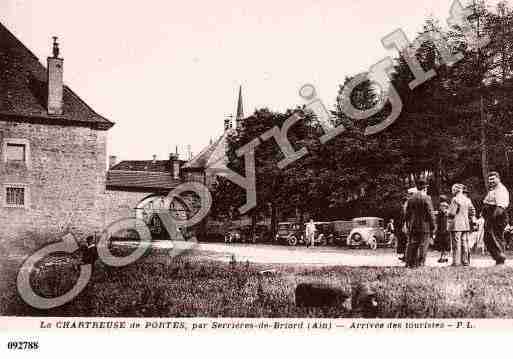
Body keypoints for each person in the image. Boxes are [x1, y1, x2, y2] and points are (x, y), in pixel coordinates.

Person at [404, 179, 436, 268]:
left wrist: (407, 224)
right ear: (425, 188)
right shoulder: (427, 198)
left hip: (413, 225)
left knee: (413, 244)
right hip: (425, 226)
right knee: (423, 245)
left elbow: (407, 214)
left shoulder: (411, 199)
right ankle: (421, 263)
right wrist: (433, 226)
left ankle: (411, 263)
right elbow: (430, 213)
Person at [482, 171, 510, 265]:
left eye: (493, 179)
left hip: (497, 216)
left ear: (498, 178)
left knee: (496, 237)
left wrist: (492, 218)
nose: (491, 181)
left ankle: (501, 260)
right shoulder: (493, 190)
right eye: (489, 179)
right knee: (488, 238)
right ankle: (498, 258)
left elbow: (500, 207)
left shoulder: (501, 190)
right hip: (491, 216)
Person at [447, 183, 475, 266]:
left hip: (456, 225)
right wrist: (469, 218)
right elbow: (472, 211)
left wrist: (446, 212)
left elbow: (452, 213)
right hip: (465, 225)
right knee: (464, 243)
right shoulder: (467, 200)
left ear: (456, 190)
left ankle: (456, 262)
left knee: (456, 244)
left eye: (453, 189)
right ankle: (465, 261)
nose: (452, 191)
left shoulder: (455, 199)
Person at [397, 187, 417, 262]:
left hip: (410, 223)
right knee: (408, 240)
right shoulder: (409, 202)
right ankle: (407, 256)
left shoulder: (409, 202)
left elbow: (406, 214)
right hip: (409, 223)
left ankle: (408, 256)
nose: (409, 195)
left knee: (410, 241)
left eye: (410, 194)